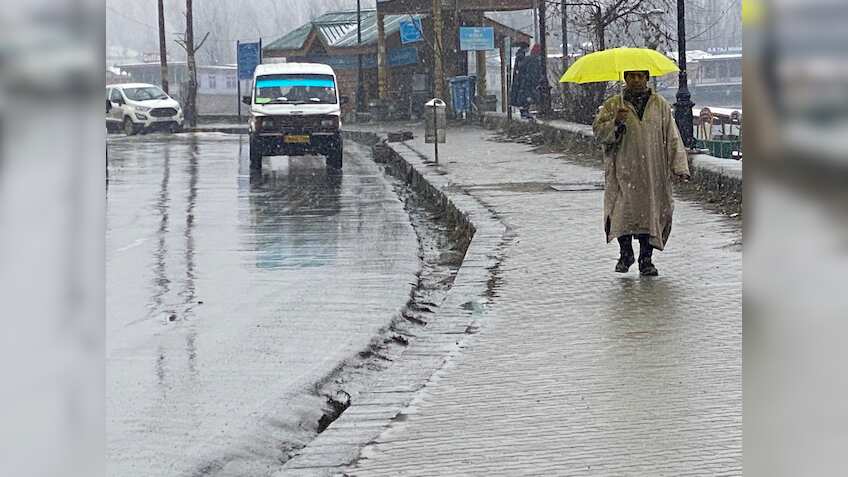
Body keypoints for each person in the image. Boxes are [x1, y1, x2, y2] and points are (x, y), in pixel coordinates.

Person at [592, 70, 691, 276]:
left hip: (653, 170)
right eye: (631, 76)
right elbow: (599, 133)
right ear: (625, 78)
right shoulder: (613, 105)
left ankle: (646, 260)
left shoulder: (660, 105)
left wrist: (679, 166)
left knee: (651, 213)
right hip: (624, 169)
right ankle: (625, 253)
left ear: (647, 78)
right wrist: (615, 123)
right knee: (622, 212)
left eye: (640, 76)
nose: (636, 80)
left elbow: (672, 136)